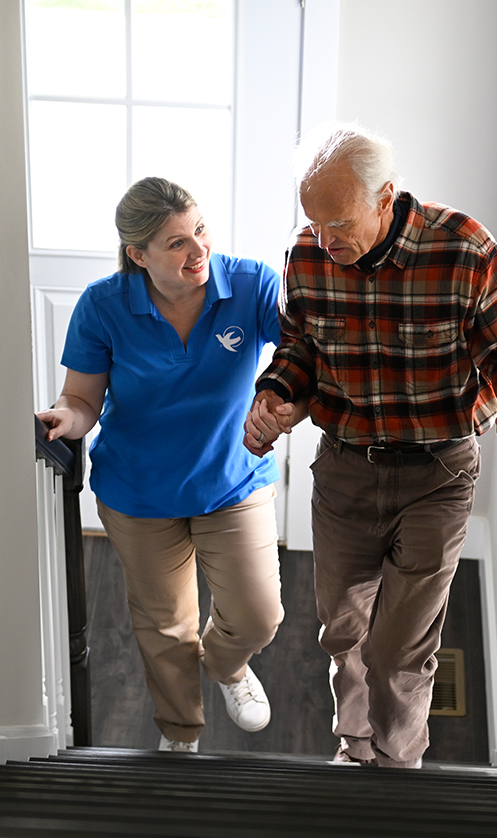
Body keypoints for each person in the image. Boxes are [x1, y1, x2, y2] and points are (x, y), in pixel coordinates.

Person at [244, 123, 497, 769]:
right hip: (346, 467)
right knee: (343, 632)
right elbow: (299, 346)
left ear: (386, 197)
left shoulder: (462, 247)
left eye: (339, 223)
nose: (325, 241)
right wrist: (274, 395)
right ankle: (354, 752)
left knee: (399, 651)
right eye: (314, 224)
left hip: (437, 473)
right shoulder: (307, 254)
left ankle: (398, 766)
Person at [38, 176, 285, 752]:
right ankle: (181, 739)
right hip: (139, 491)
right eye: (176, 243)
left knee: (258, 616)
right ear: (138, 254)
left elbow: (298, 356)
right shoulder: (103, 304)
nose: (198, 250)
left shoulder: (250, 284)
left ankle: (227, 667)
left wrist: (280, 401)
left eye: (200, 231)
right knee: (165, 627)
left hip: (231, 481)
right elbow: (81, 400)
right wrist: (64, 422)